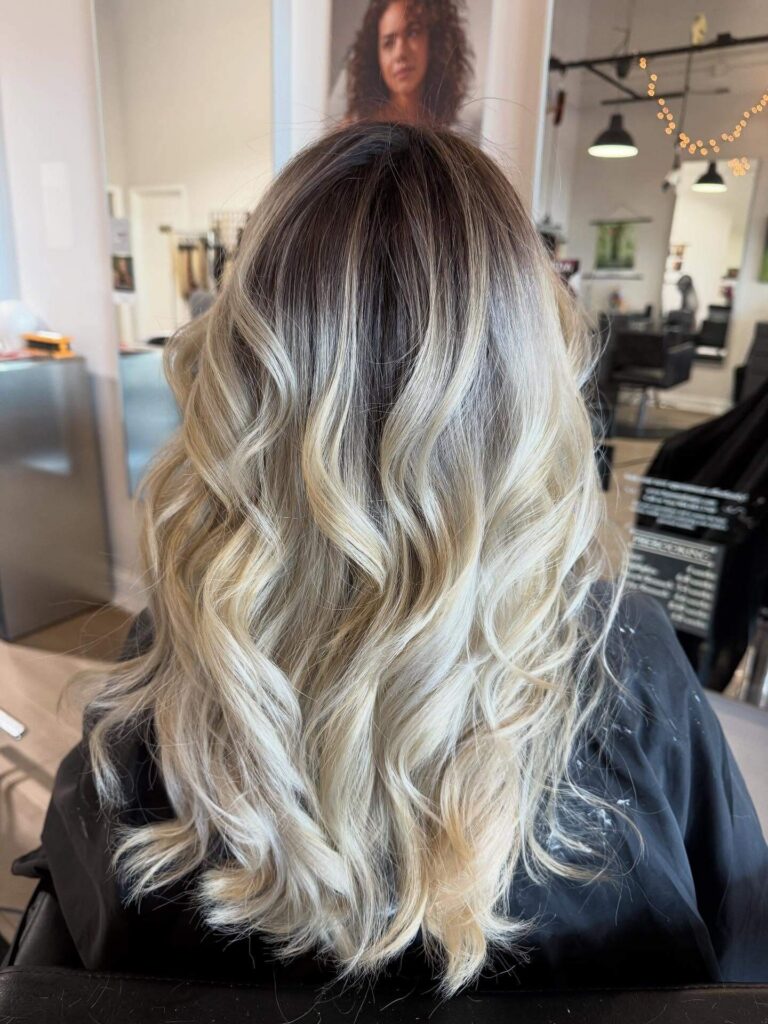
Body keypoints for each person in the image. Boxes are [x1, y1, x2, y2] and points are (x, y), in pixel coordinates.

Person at [13, 122, 768, 997]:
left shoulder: (178, 658)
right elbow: (740, 961)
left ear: (242, 373)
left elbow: (75, 959)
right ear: (526, 387)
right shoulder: (626, 655)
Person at [345, 0, 473, 125]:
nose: (400, 53)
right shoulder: (356, 129)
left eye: (413, 33)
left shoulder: (443, 130)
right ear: (374, 55)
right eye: (388, 42)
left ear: (435, 40)